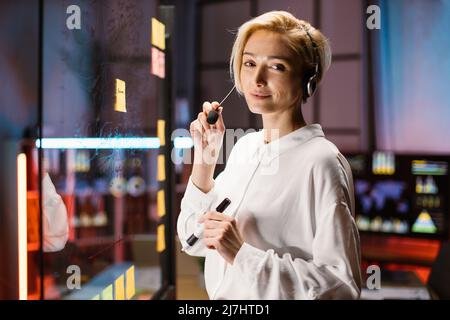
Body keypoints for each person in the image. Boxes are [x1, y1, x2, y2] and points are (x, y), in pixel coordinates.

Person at [177, 11, 362, 299]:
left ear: (308, 79)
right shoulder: (245, 149)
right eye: (249, 63)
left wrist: (241, 253)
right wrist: (205, 159)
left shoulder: (322, 162)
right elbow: (192, 240)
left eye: (276, 66)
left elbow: (342, 287)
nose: (257, 79)